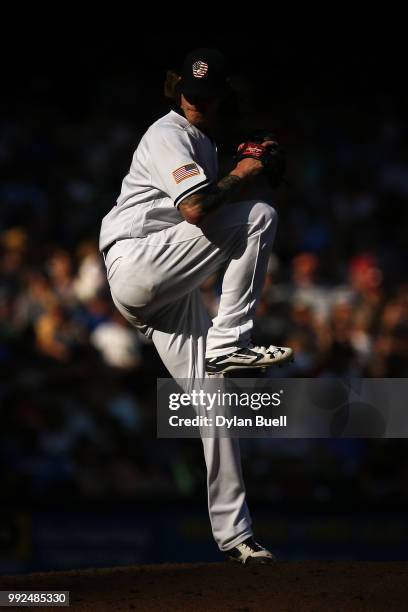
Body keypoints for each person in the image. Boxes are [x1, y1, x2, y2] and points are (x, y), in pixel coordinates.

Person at [99, 48, 293, 564]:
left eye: (206, 96)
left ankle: (236, 538)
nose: (196, 103)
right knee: (258, 216)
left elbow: (202, 207)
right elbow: (196, 207)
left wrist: (240, 164)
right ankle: (231, 340)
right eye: (190, 93)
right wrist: (248, 169)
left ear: (221, 95)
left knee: (213, 404)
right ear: (177, 89)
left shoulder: (201, 142)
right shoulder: (169, 132)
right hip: (140, 262)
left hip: (163, 287)